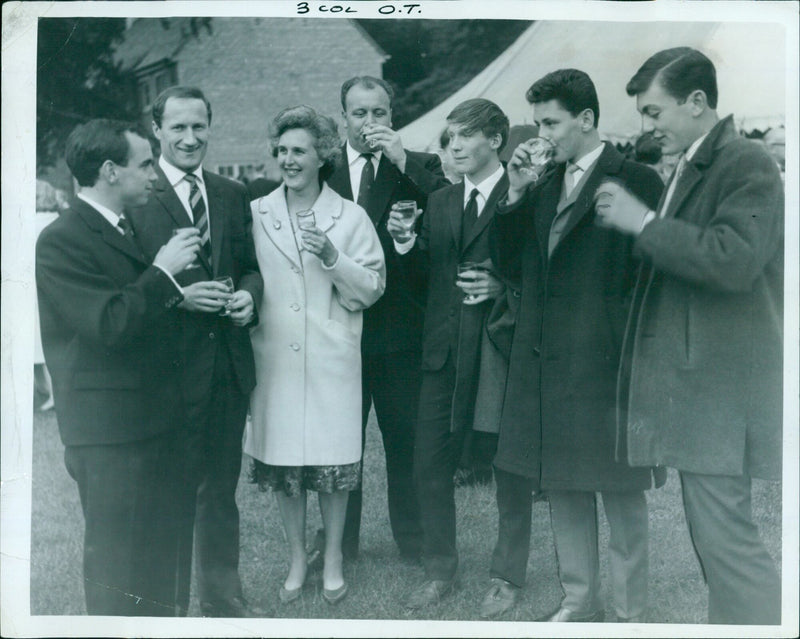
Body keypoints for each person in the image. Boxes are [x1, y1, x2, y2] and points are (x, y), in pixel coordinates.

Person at [594, 47, 783, 625]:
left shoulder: (746, 161)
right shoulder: (697, 162)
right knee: (716, 543)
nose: (647, 128)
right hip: (701, 392)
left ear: (697, 102)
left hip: (721, 390)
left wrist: (643, 223)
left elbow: (734, 260)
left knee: (728, 544)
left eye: (654, 113)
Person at [488, 69, 666, 622]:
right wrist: (513, 191)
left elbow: (650, 278)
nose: (541, 134)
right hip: (547, 363)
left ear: (586, 119)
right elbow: (506, 261)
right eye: (537, 122)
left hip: (607, 365)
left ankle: (630, 610)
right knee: (563, 483)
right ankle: (578, 598)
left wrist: (629, 353)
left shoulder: (635, 176)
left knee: (619, 489)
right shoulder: (542, 182)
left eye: (551, 122)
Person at [35, 119, 201, 615]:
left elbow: (131, 310)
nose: (154, 173)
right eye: (145, 163)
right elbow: (108, 324)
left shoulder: (124, 228)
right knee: (116, 569)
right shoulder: (61, 240)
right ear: (110, 171)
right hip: (108, 438)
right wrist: (164, 274)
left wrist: (176, 295)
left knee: (156, 561)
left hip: (151, 425)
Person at [129, 86, 263, 617]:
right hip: (168, 369)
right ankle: (169, 609)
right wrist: (178, 298)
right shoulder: (141, 192)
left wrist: (250, 295)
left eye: (199, 126)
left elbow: (249, 262)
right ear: (157, 130)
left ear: (211, 127)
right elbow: (126, 281)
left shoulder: (231, 193)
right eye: (178, 127)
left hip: (226, 369)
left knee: (221, 490)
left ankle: (222, 597)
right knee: (170, 493)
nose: (190, 138)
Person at [243, 105, 385, 605]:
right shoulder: (257, 212)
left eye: (298, 150)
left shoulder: (351, 216)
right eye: (281, 150)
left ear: (322, 155)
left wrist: (331, 255)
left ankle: (335, 558)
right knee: (285, 466)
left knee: (332, 464)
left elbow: (372, 286)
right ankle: (298, 558)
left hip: (330, 356)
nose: (288, 159)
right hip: (275, 355)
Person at [387, 98, 510, 611]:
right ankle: (440, 571)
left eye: (465, 135)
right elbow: (430, 271)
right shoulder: (441, 200)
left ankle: (506, 577)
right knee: (427, 464)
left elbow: (541, 268)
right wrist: (403, 242)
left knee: (510, 469)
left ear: (496, 140)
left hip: (500, 350)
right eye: (450, 136)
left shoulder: (522, 195)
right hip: (441, 353)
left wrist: (500, 284)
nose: (453, 145)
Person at [319, 75, 447, 563]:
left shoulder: (418, 165)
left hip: (399, 330)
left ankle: (413, 541)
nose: (370, 123)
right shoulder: (326, 168)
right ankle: (339, 544)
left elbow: (447, 211)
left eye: (379, 113)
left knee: (405, 442)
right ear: (344, 117)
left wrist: (402, 160)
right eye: (359, 113)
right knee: (341, 443)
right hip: (339, 328)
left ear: (392, 116)